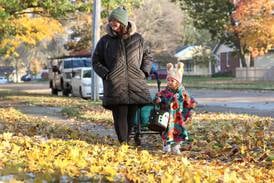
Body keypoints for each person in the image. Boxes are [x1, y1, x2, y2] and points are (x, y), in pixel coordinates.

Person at [92, 7, 152, 144]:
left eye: (116, 20)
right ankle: (123, 143)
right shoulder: (105, 41)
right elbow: (96, 61)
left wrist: (144, 72)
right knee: (120, 115)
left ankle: (127, 139)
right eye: (111, 20)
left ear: (123, 22)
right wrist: (106, 74)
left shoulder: (138, 39)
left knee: (131, 116)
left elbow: (147, 56)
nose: (113, 23)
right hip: (116, 84)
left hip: (135, 83)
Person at [154, 62, 190, 154]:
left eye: (172, 81)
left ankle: (176, 147)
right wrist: (158, 99)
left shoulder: (182, 92)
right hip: (168, 115)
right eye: (168, 80)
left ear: (178, 82)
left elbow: (188, 102)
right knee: (166, 131)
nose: (169, 82)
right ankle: (166, 145)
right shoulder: (165, 91)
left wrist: (188, 111)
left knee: (179, 131)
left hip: (178, 116)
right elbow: (159, 97)